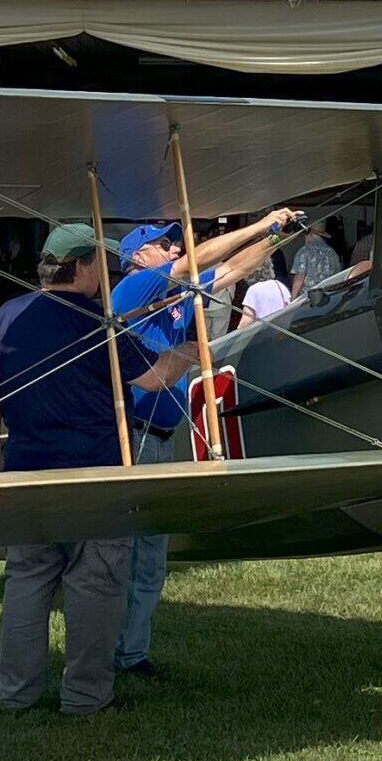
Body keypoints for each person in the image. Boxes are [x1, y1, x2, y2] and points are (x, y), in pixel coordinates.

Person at [0, 224, 199, 715]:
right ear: (80, 266)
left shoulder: (7, 316)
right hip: (93, 476)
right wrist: (186, 353)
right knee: (95, 586)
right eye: (100, 263)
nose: (106, 273)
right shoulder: (99, 321)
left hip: (27, 470)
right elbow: (153, 377)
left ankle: (15, 693)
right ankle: (86, 696)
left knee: (27, 582)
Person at [107, 208, 297, 678]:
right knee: (133, 552)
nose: (174, 247)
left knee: (151, 553)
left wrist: (275, 236)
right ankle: (117, 651)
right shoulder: (134, 286)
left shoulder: (174, 290)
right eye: (164, 243)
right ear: (138, 256)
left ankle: (131, 652)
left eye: (175, 241)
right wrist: (259, 222)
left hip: (165, 436)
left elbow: (233, 268)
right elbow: (194, 263)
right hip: (136, 436)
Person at [237, 253, 293, 329]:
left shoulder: (253, 290)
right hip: (280, 330)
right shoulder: (279, 284)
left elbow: (246, 321)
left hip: (262, 332)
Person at [288, 218, 341, 298]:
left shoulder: (304, 251)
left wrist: (293, 299)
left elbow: (299, 277)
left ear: (309, 233)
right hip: (328, 297)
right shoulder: (333, 252)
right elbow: (338, 276)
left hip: (308, 299)